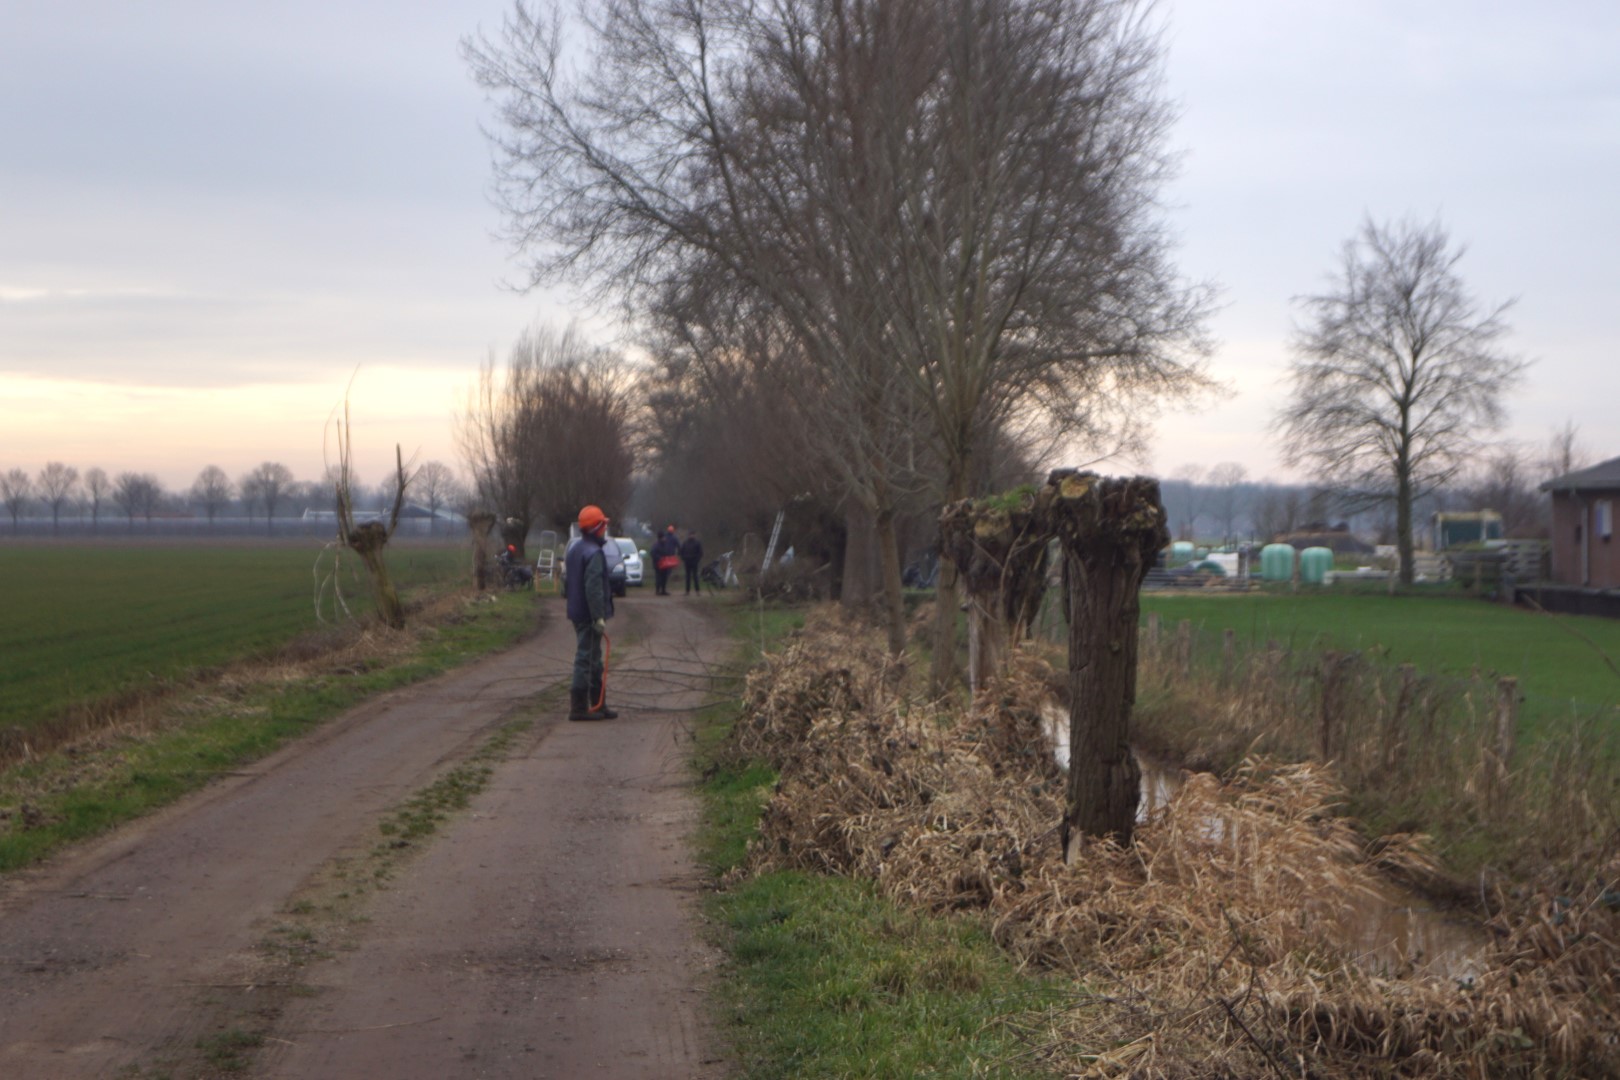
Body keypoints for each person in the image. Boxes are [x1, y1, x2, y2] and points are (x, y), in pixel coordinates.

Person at [564, 504, 617, 721]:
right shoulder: (594, 553)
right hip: (588, 615)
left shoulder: (575, 549)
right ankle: (578, 709)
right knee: (586, 658)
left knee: (594, 659)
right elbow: (593, 588)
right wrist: (598, 616)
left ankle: (598, 704)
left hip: (577, 612)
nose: (605, 529)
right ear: (596, 528)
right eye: (603, 525)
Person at [651, 524, 680, 595]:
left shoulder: (664, 544)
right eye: (664, 537)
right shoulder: (656, 545)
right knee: (659, 577)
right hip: (658, 564)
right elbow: (653, 553)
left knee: (664, 577)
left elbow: (667, 552)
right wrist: (660, 558)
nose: (665, 538)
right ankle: (658, 590)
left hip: (665, 564)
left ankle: (663, 590)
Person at [680, 529, 704, 595]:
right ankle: (687, 591)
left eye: (692, 534)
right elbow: (681, 552)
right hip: (687, 562)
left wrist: (697, 560)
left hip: (694, 562)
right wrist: (684, 558)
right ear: (688, 535)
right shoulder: (685, 543)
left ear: (694, 535)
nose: (691, 536)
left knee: (695, 577)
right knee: (687, 577)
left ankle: (697, 591)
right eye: (690, 534)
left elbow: (700, 553)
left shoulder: (697, 543)